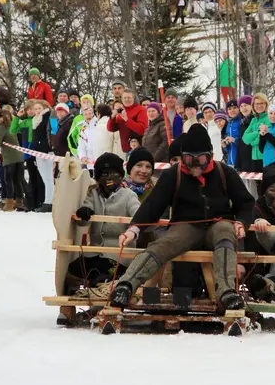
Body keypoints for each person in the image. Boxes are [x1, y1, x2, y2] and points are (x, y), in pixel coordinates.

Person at [111, 125, 254, 313]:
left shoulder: (224, 172)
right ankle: (126, 285)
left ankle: (227, 291)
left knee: (225, 232)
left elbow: (245, 202)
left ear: (210, 155)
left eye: (200, 158)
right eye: (188, 158)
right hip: (186, 225)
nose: (195, 164)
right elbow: (153, 204)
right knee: (164, 243)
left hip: (219, 223)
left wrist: (241, 222)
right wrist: (134, 229)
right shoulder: (173, 174)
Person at [71, 152, 141, 291]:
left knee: (99, 274)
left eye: (114, 174)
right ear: (98, 177)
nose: (109, 179)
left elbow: (138, 214)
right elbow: (84, 218)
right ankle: (72, 302)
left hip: (119, 255)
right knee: (73, 270)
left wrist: (134, 226)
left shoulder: (128, 195)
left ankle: (99, 305)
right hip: (95, 251)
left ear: (121, 176)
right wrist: (84, 212)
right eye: (104, 174)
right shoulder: (93, 193)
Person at [0, 108, 26, 212]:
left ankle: (9, 204)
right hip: (19, 156)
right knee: (17, 180)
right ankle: (19, 202)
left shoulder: (1, 127)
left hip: (10, 157)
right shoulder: (10, 125)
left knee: (8, 180)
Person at [30, 100, 55, 213]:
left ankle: (49, 203)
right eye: (35, 109)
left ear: (44, 108)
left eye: (39, 108)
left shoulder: (49, 117)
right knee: (44, 178)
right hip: (38, 151)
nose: (37, 111)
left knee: (49, 178)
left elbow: (52, 132)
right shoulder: (35, 120)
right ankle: (47, 200)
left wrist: (50, 148)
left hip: (47, 151)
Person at [108, 89, 148, 154]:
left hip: (139, 148)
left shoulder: (141, 110)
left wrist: (127, 120)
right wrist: (112, 117)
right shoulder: (121, 110)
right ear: (121, 99)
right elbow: (111, 128)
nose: (127, 100)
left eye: (129, 97)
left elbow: (142, 129)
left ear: (133, 98)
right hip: (126, 149)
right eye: (125, 98)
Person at [242, 93, 271, 172]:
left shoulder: (269, 118)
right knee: (258, 183)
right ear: (253, 105)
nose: (259, 106)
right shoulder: (253, 120)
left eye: (262, 103)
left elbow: (263, 137)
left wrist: (253, 139)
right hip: (254, 157)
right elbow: (245, 138)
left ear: (266, 104)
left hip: (265, 157)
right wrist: (257, 132)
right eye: (256, 104)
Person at [222, 100, 241, 168]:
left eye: (235, 107)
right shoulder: (228, 124)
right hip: (230, 162)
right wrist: (225, 146)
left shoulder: (242, 121)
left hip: (240, 161)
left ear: (239, 109)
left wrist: (234, 140)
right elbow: (229, 148)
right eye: (229, 109)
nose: (232, 110)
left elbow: (245, 142)